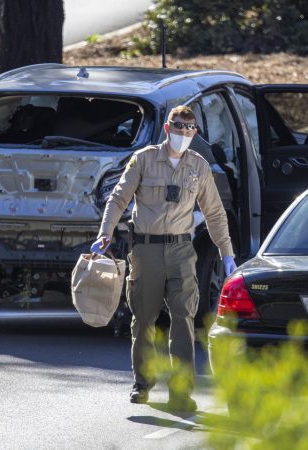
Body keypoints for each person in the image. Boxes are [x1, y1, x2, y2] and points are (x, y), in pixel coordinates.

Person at [91, 105, 237, 411]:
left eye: (189, 128)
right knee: (143, 318)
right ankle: (142, 383)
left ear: (194, 133)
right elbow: (119, 197)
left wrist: (227, 255)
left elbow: (214, 213)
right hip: (145, 249)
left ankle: (181, 392)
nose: (183, 133)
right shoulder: (143, 159)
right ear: (167, 128)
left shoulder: (199, 165)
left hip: (182, 250)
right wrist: (104, 233)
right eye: (178, 126)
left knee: (183, 319)